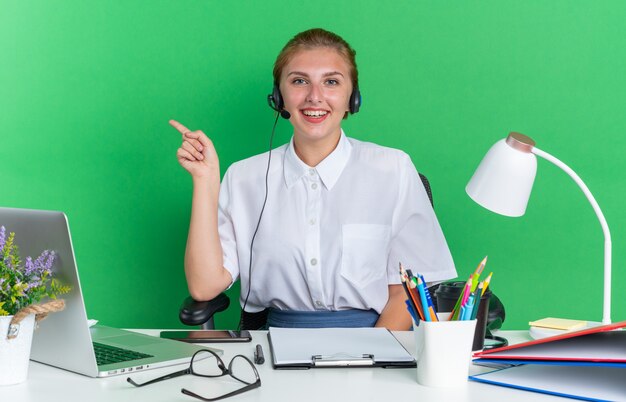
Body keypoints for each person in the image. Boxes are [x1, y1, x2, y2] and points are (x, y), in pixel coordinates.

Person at [171, 28, 456, 330]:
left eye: (331, 82)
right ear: (278, 98)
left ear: (352, 99)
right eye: (299, 81)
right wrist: (205, 181)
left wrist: (370, 359)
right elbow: (204, 287)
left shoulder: (393, 169)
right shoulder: (244, 177)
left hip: (375, 343)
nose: (315, 97)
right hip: (272, 348)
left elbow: (405, 293)